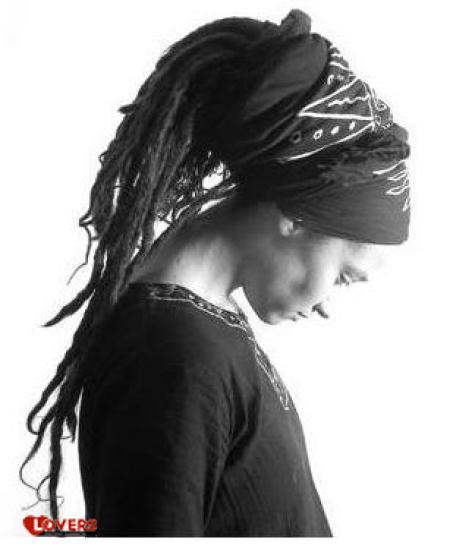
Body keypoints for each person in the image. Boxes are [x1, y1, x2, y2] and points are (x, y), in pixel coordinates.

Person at [19, 9, 411, 536]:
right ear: (296, 218)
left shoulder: (200, 326)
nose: (326, 306)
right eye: (344, 276)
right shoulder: (173, 355)